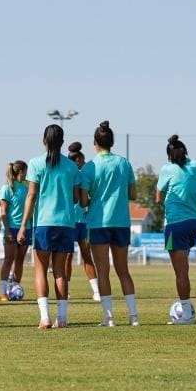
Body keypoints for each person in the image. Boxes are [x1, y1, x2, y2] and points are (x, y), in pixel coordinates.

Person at [18, 124, 78, 329]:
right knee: (60, 272)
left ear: (44, 141)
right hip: (66, 224)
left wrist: (23, 225)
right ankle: (62, 319)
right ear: (62, 142)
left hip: (43, 224)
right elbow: (77, 197)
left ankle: (44, 318)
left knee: (40, 271)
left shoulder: (35, 164)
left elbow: (31, 195)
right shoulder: (71, 166)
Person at [78, 121, 138, 327]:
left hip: (98, 224)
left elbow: (84, 201)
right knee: (124, 271)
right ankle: (133, 317)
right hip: (121, 222)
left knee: (102, 272)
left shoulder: (89, 167)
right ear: (112, 142)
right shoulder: (124, 163)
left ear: (95, 143)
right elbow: (133, 194)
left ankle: (109, 319)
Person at [155, 135, 196, 325]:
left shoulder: (167, 168)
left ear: (169, 155)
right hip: (195, 223)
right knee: (184, 268)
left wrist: (167, 204)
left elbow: (158, 196)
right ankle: (186, 310)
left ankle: (186, 314)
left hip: (175, 224)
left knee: (180, 272)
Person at [66, 142, 100, 302]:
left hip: (83, 222)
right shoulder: (69, 173)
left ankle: (96, 291)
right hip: (68, 221)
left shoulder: (86, 173)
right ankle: (66, 290)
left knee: (87, 256)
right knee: (66, 257)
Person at [0, 161, 30, 300]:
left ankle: (15, 287)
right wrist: (7, 230)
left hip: (26, 228)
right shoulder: (6, 188)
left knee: (20, 260)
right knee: (8, 259)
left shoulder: (27, 188)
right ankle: (3, 292)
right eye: (26, 171)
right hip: (11, 228)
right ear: (21, 171)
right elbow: (3, 211)